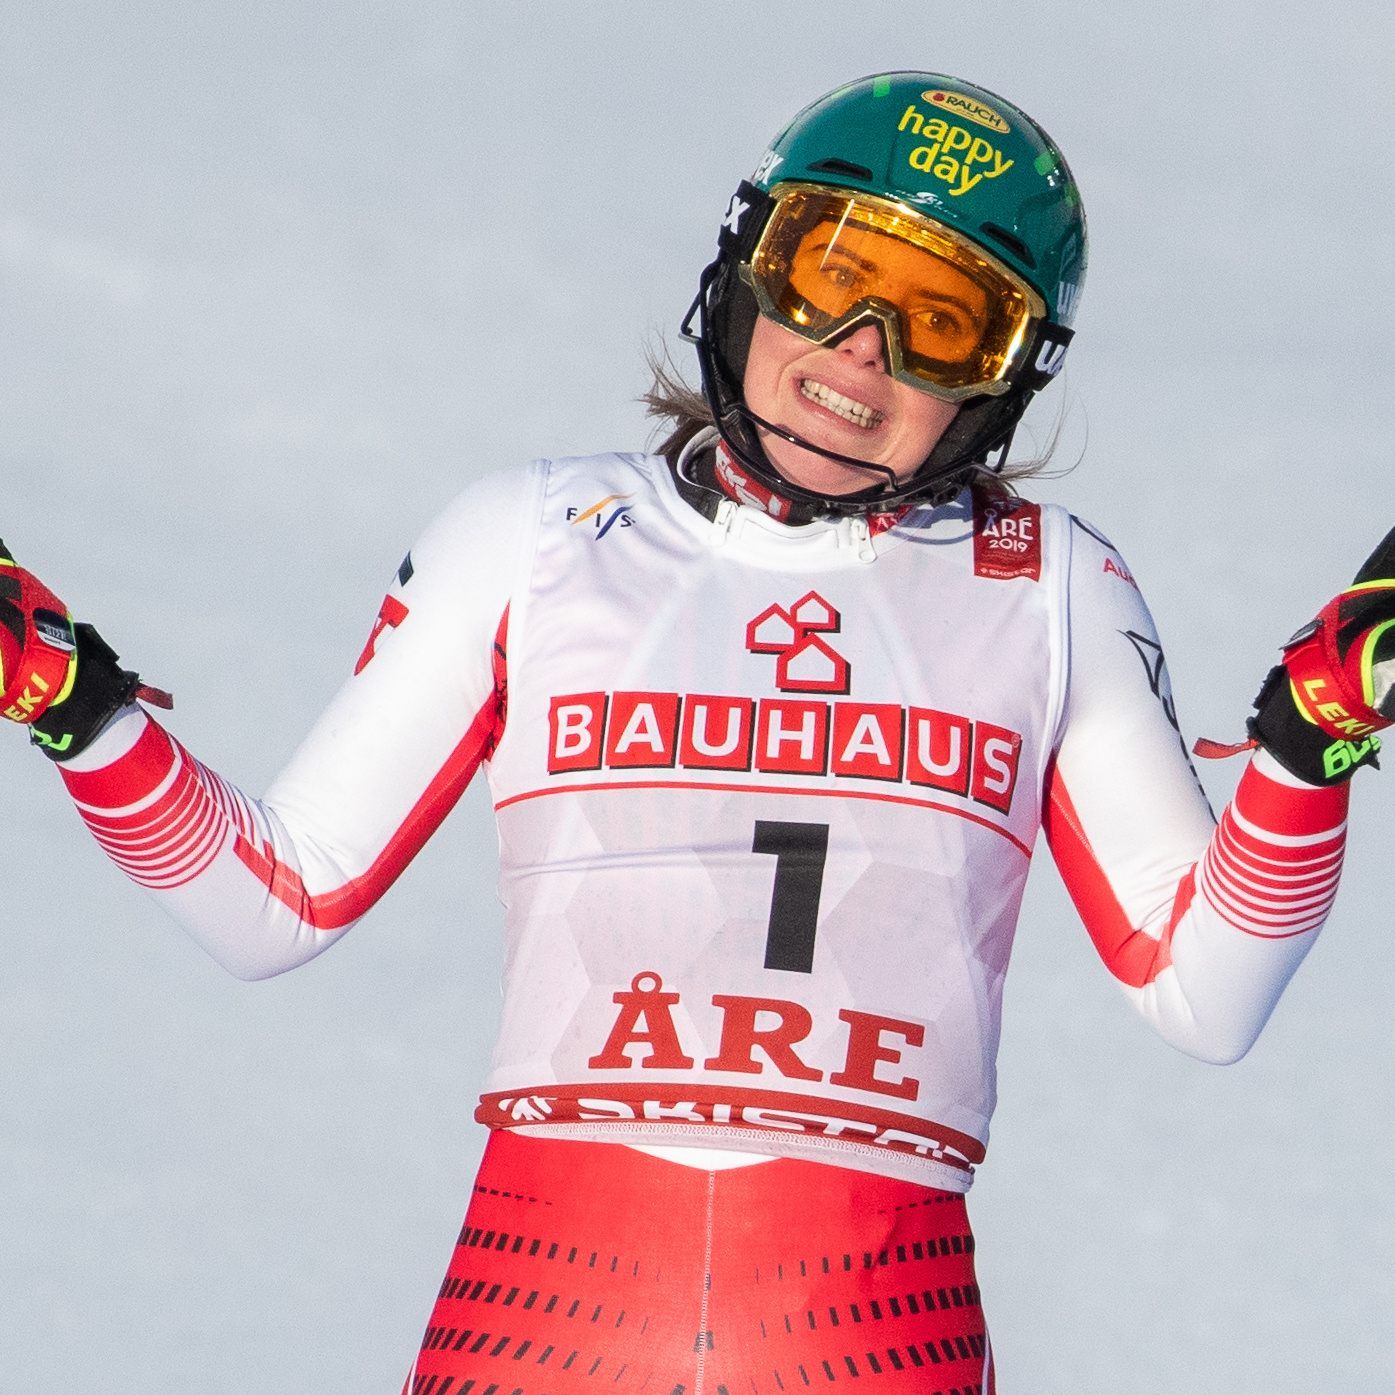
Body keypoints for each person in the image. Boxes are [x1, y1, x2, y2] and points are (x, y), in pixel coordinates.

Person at [3, 71, 1393, 1394]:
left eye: (947, 322)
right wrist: (71, 702)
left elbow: (1205, 991)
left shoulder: (1048, 589)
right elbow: (274, 899)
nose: (865, 358)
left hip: (875, 1338)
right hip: (540, 1321)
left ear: (1008, 380)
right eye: (834, 272)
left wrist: (1308, 750)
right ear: (744, 267)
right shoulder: (536, 541)